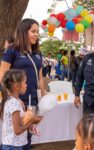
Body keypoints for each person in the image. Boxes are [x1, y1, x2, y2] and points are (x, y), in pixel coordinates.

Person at [0, 18, 45, 150]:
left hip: (32, 101)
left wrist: (43, 96)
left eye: (38, 31)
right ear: (24, 32)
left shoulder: (38, 53)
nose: (36, 34)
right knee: (13, 134)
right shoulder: (12, 50)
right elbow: (3, 75)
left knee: (27, 136)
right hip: (17, 102)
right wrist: (14, 97)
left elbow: (40, 77)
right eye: (33, 31)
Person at [0, 69, 35, 150]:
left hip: (10, 145)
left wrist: (26, 117)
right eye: (25, 82)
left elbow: (14, 122)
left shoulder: (9, 100)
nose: (26, 85)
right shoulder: (14, 103)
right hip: (13, 146)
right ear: (17, 86)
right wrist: (30, 122)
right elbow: (17, 130)